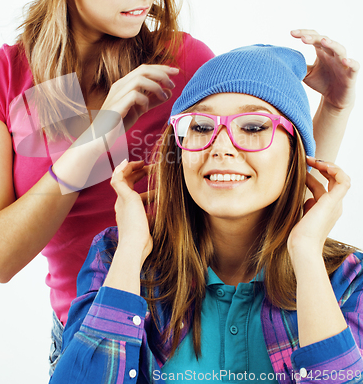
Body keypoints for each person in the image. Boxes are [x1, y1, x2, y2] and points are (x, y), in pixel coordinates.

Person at [0, 0, 358, 376]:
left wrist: (335, 107)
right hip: (89, 332)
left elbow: (271, 173)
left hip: (185, 326)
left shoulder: (182, 62)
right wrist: (95, 139)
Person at [51, 44, 362, 384]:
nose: (221, 146)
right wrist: (130, 253)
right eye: (200, 126)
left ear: (296, 156)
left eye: (254, 127)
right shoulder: (115, 257)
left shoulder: (347, 281)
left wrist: (305, 254)